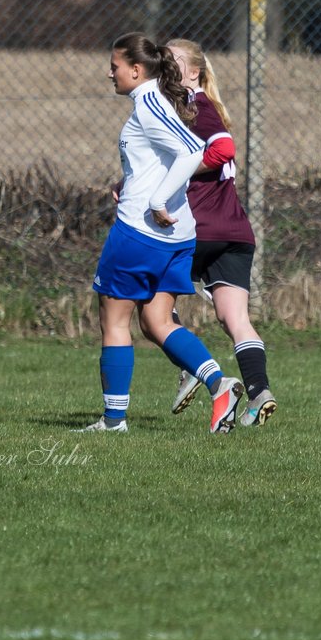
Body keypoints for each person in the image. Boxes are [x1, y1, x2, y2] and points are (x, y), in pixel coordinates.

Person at [80, 32, 244, 434]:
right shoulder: (158, 100)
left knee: (114, 321)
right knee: (156, 321)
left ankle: (113, 420)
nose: (110, 73)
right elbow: (167, 155)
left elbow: (193, 151)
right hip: (179, 235)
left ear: (136, 70)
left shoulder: (149, 104)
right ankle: (219, 384)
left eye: (115, 66)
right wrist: (131, 180)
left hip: (141, 231)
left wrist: (156, 200)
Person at [165, 38, 276, 427]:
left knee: (153, 303)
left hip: (201, 226)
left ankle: (194, 369)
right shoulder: (194, 106)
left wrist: (175, 174)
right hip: (236, 231)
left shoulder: (193, 105)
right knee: (235, 318)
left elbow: (222, 149)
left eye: (173, 60)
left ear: (194, 71)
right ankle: (259, 391)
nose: (164, 64)